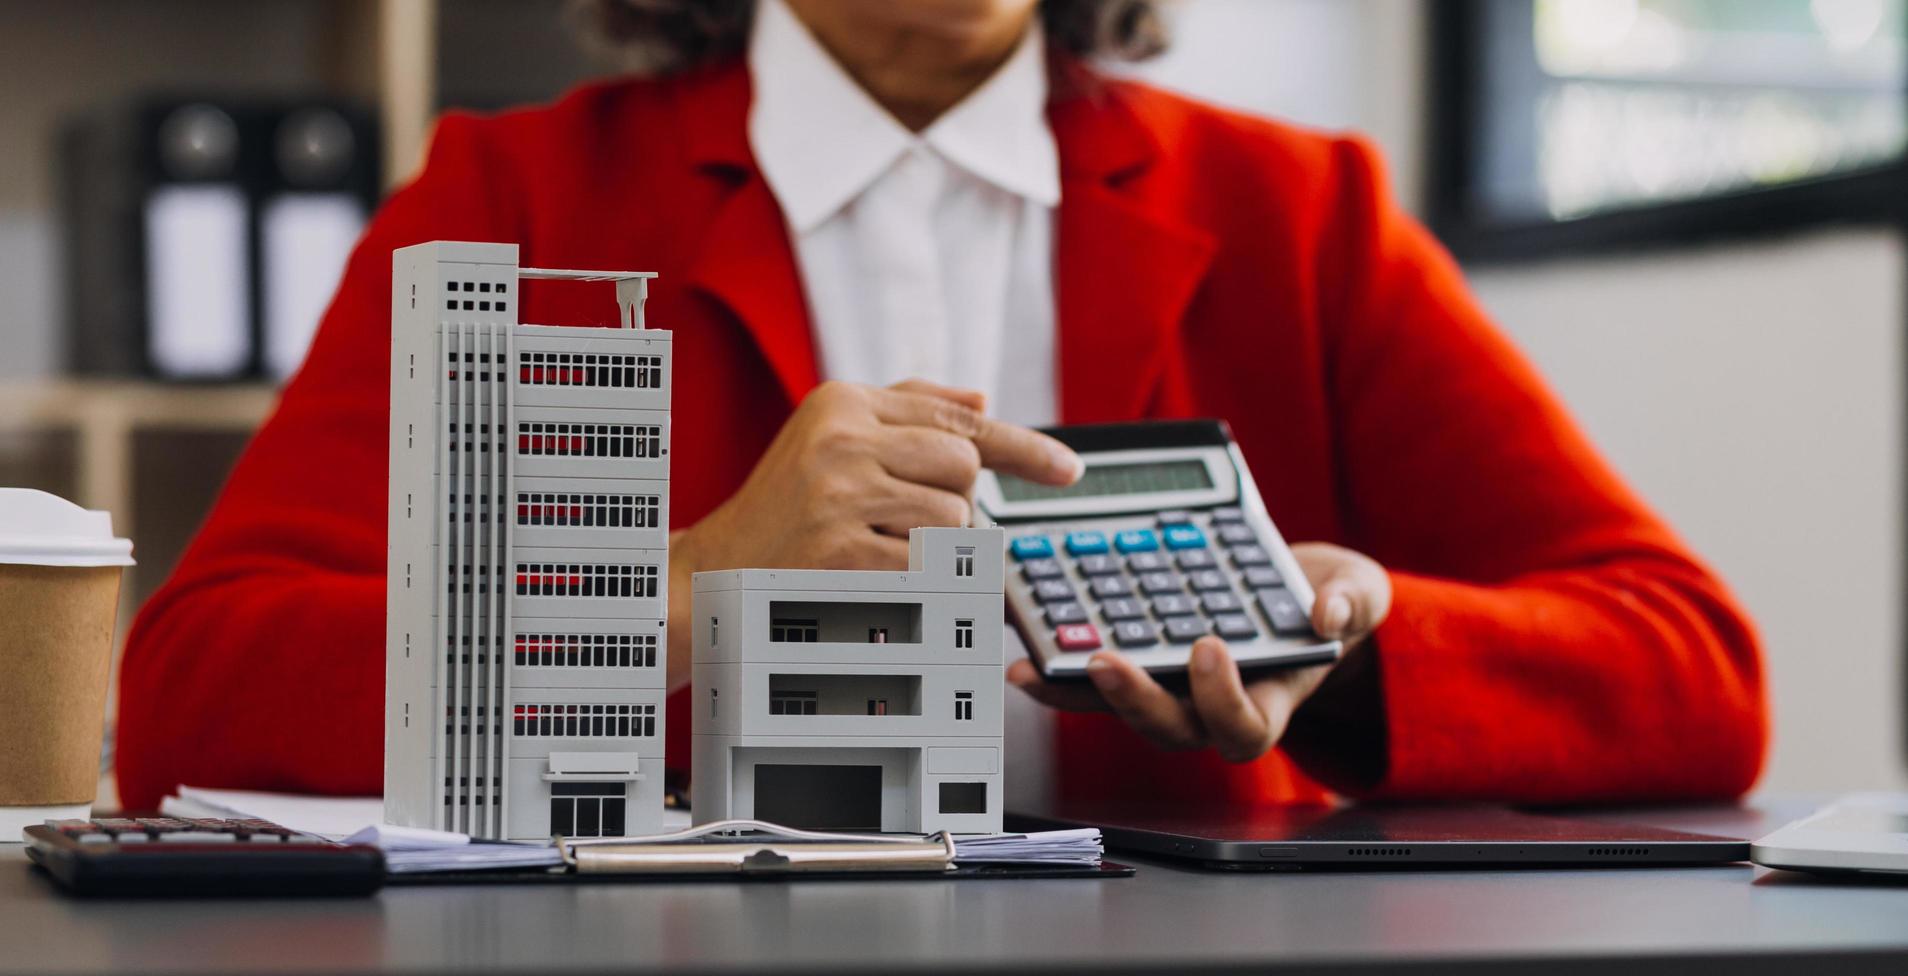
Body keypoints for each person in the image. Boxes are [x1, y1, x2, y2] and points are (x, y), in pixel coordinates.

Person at [115, 0, 1767, 811]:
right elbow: (194, 696)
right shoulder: (513, 198)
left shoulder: (1302, 215)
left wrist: (1356, 631)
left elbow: (1692, 665)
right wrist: (681, 593)